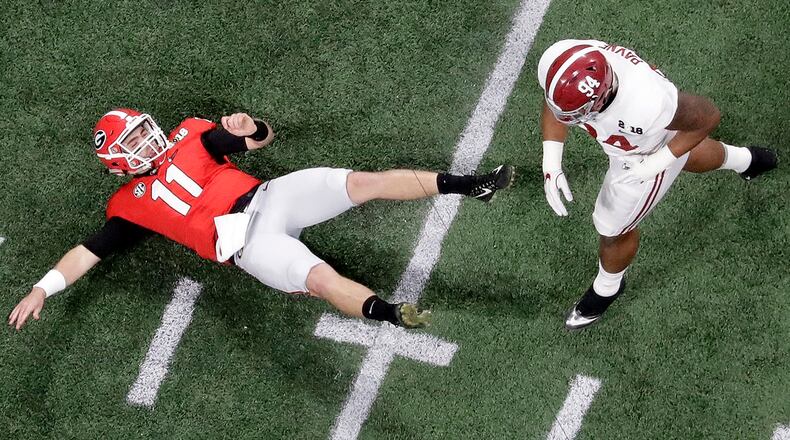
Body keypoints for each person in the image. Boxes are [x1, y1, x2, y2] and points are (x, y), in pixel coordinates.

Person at [8, 109, 514, 331]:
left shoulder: (189, 136)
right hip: (247, 247)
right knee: (319, 279)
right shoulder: (128, 204)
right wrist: (41, 289)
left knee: (362, 182)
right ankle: (392, 315)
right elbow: (87, 252)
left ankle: (472, 184)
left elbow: (255, 140)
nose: (146, 140)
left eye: (142, 130)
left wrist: (254, 127)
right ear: (119, 162)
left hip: (270, 198)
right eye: (133, 142)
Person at [537, 39, 777, 330]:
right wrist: (551, 160)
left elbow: (707, 117)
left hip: (645, 153)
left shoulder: (647, 103)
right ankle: (747, 160)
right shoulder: (563, 60)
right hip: (643, 131)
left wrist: (657, 162)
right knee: (686, 155)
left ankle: (608, 287)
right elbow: (557, 104)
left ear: (602, 97)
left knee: (612, 228)